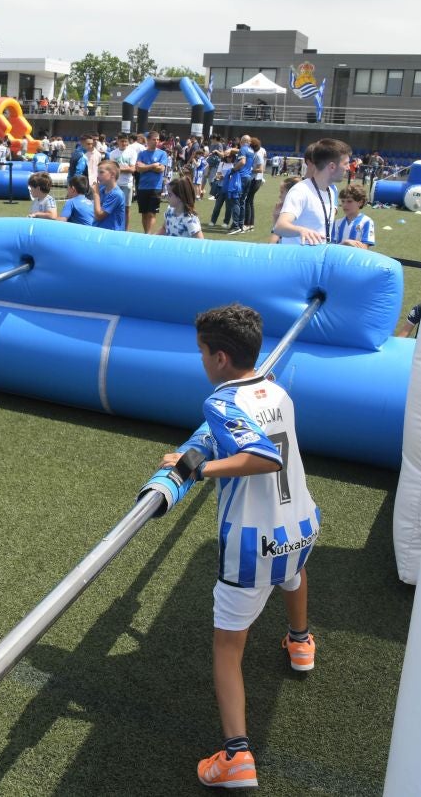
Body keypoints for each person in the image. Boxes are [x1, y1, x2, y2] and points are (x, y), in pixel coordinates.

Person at [158, 303, 320, 790]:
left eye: (203, 352)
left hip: (251, 543)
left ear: (222, 358)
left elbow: (263, 457)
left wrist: (195, 467)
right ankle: (300, 642)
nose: (202, 361)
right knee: (292, 575)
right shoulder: (277, 389)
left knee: (228, 647)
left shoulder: (221, 402)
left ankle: (236, 757)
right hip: (301, 525)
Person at [273, 139, 351, 245]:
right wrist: (301, 231)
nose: (348, 167)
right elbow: (280, 226)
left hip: (316, 259)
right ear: (332, 166)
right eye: (346, 163)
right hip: (298, 260)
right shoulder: (301, 191)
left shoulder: (331, 192)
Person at [134, 131, 168, 234]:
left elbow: (161, 169)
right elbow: (139, 168)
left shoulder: (162, 153)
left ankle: (148, 234)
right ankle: (146, 233)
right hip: (142, 187)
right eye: (154, 139)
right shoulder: (142, 153)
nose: (156, 141)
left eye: (158, 139)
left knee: (152, 213)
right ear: (148, 140)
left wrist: (145, 167)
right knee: (144, 213)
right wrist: (153, 166)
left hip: (156, 187)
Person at [330, 183, 375, 249]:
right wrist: (345, 243)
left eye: (349, 201)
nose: (345, 205)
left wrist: (348, 244)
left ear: (360, 202)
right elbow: (331, 247)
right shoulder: (337, 223)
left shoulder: (367, 222)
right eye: (343, 201)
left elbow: (365, 248)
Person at [91, 160, 127, 231]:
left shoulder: (116, 194)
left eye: (101, 172)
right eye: (98, 172)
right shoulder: (101, 189)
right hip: (99, 231)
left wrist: (96, 194)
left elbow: (99, 216)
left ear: (112, 174)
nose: (98, 176)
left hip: (111, 235)